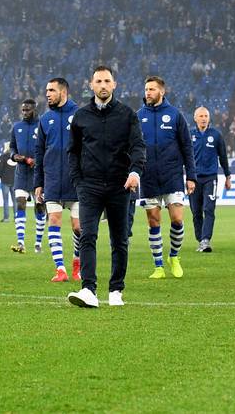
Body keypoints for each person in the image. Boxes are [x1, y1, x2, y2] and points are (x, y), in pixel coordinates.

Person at [66, 66, 146, 308]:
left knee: (119, 239)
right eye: (98, 81)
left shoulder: (127, 115)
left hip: (119, 185)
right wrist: (78, 180)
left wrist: (134, 172)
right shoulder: (81, 116)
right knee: (87, 235)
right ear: (91, 85)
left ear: (114, 85)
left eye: (106, 81)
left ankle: (116, 290)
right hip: (88, 186)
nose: (102, 85)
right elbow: (73, 152)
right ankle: (88, 289)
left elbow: (138, 147)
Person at [136, 76, 194, 279]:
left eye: (152, 89)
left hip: (173, 176)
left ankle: (174, 256)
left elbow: (187, 147)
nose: (148, 92)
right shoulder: (139, 116)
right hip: (148, 177)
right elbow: (132, 147)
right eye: (146, 89)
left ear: (162, 91)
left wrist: (191, 176)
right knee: (153, 222)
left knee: (177, 220)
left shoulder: (175, 115)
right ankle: (159, 266)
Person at [34, 77, 82, 281]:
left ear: (63, 92)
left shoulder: (80, 115)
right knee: (53, 220)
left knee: (79, 227)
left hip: (76, 181)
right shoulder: (45, 119)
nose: (47, 94)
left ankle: (77, 266)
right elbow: (39, 153)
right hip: (52, 179)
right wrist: (38, 183)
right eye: (47, 90)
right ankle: (60, 269)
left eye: (51, 90)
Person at [189, 106, 231, 252]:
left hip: (210, 178)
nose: (203, 118)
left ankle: (206, 240)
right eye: (200, 116)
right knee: (196, 212)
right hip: (193, 179)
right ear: (195, 118)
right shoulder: (189, 135)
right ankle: (200, 239)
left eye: (206, 116)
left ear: (209, 118)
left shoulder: (216, 135)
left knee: (209, 209)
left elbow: (223, 157)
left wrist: (228, 176)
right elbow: (183, 156)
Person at [8, 99, 45, 254]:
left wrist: (39, 160)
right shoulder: (16, 127)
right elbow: (12, 146)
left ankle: (38, 243)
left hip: (38, 174)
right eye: (23, 110)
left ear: (34, 110)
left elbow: (48, 146)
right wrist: (14, 155)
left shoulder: (42, 126)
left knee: (39, 207)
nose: (24, 112)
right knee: (20, 204)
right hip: (22, 173)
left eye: (28, 110)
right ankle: (21, 242)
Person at [0, 142, 15, 222]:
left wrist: (1, 177)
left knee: (6, 200)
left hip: (5, 181)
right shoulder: (15, 157)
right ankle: (17, 217)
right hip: (14, 181)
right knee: (15, 201)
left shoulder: (2, 157)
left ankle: (6, 218)